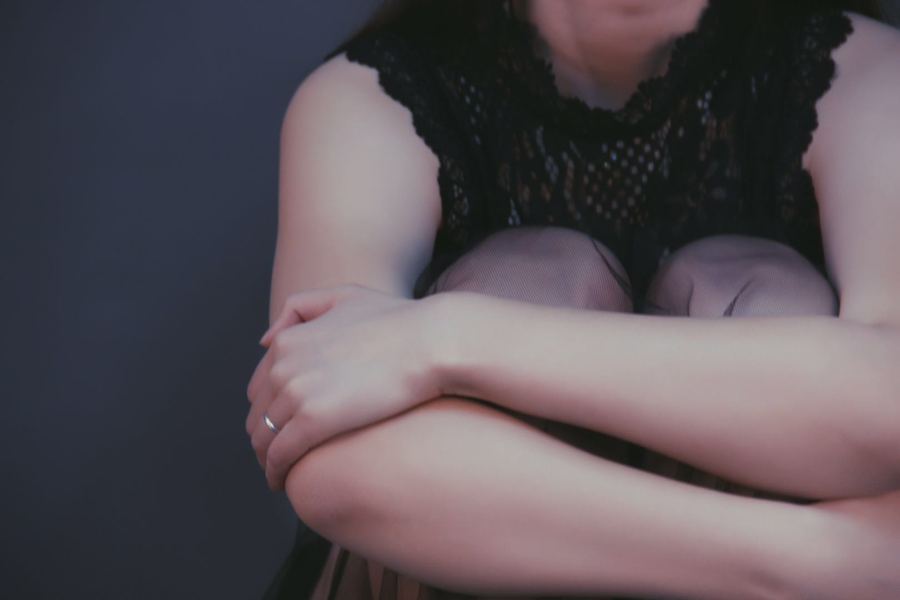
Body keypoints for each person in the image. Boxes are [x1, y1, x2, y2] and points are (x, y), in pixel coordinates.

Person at [246, 0, 900, 597]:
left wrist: (444, 339)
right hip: (821, 572)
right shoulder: (373, 96)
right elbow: (329, 454)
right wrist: (806, 559)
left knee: (767, 292)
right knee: (533, 275)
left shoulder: (860, 74)